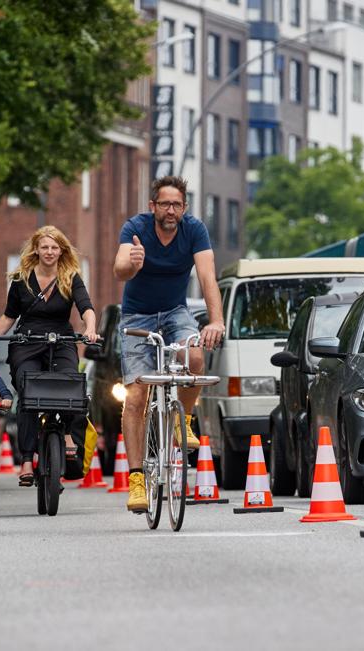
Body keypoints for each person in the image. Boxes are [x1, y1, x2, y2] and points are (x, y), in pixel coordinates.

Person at [112, 176, 225, 513]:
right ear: (153, 206)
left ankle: (183, 420)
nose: (171, 210)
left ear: (184, 208)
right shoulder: (136, 227)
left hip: (176, 313)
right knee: (135, 397)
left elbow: (207, 277)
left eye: (177, 204)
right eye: (165, 204)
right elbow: (118, 271)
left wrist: (216, 320)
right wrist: (132, 263)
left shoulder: (194, 230)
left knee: (194, 357)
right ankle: (136, 482)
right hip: (137, 317)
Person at [0, 226, 97, 486]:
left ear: (61, 251)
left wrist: (90, 329)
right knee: (28, 392)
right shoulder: (22, 279)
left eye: (54, 247)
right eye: (45, 247)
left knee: (71, 383)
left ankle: (68, 433)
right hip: (27, 340)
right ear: (36, 249)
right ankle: (26, 460)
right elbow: (9, 315)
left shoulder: (71, 277)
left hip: (61, 340)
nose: (49, 252)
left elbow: (87, 308)